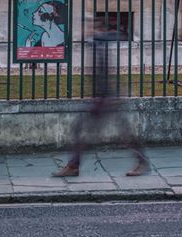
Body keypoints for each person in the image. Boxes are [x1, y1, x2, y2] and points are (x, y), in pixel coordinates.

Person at [53, 19, 149, 177]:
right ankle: (142, 162)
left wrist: (103, 96)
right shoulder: (96, 44)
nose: (84, 30)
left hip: (105, 98)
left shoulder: (99, 45)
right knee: (122, 132)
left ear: (95, 28)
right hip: (105, 97)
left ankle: (73, 166)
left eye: (88, 27)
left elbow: (104, 72)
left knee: (81, 128)